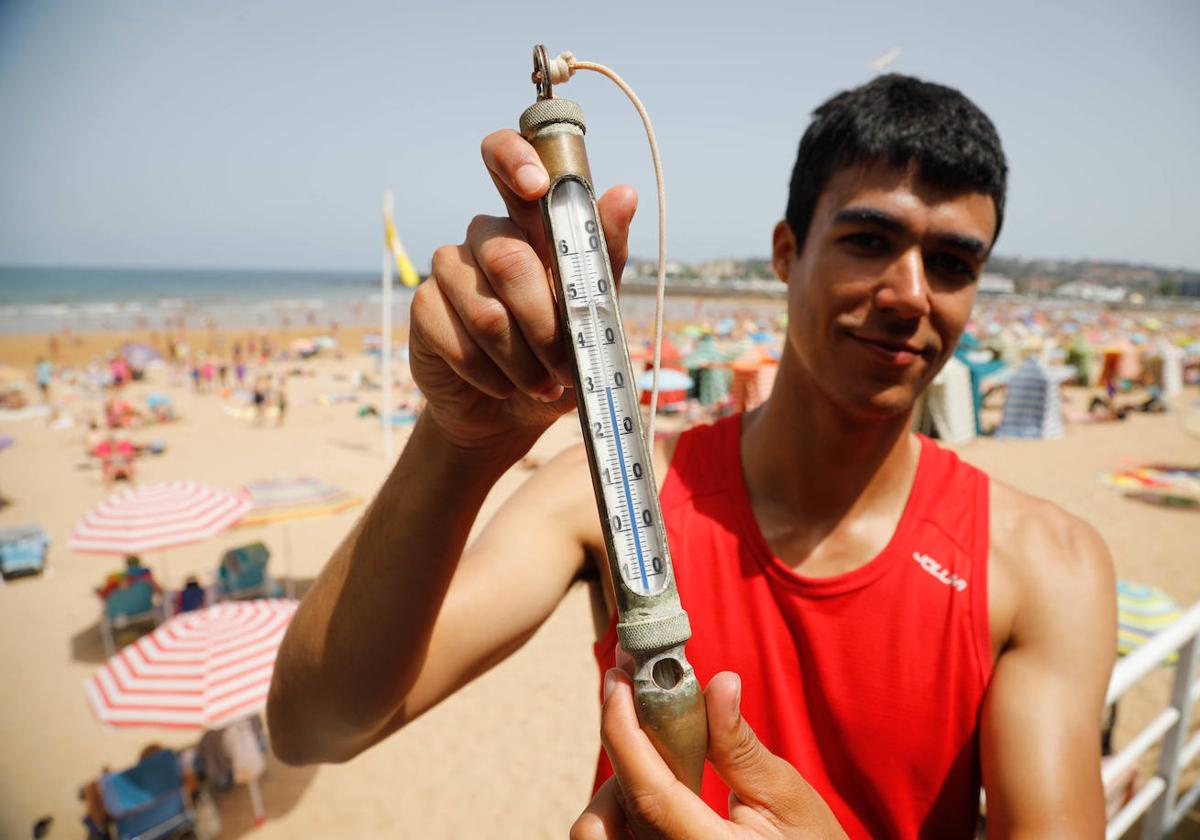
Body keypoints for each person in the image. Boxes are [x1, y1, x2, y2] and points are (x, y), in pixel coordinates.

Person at [268, 74, 1116, 838]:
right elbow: (316, 726)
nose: (908, 293)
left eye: (954, 262)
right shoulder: (606, 500)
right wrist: (457, 440)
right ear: (786, 252)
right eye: (868, 239)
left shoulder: (1049, 565)